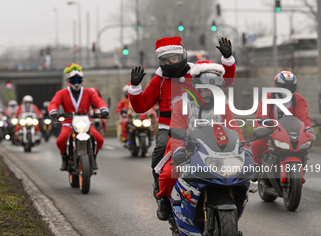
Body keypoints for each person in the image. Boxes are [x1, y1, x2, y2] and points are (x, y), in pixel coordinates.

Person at [128, 36, 237, 211]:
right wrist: (134, 87)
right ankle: (161, 194)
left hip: (201, 123)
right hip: (169, 127)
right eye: (166, 60)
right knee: (161, 150)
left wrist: (227, 59)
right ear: (161, 61)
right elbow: (141, 107)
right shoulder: (159, 79)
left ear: (182, 56)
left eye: (174, 58)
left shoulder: (199, 70)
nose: (171, 62)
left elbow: (227, 80)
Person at [154, 61, 248, 220]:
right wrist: (179, 151)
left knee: (239, 176)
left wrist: (244, 147)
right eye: (206, 88)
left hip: (219, 151)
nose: (210, 92)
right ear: (196, 86)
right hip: (187, 150)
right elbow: (177, 134)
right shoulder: (182, 104)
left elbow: (234, 129)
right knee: (169, 173)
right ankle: (165, 200)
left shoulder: (223, 107)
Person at [251, 71, 316, 180]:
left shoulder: (298, 99)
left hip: (291, 131)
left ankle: (300, 165)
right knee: (256, 145)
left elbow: (303, 116)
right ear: (276, 85)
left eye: (290, 87)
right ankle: (256, 167)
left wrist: (309, 129)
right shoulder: (268, 96)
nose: (287, 90)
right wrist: (262, 127)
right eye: (284, 87)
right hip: (270, 129)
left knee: (305, 147)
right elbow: (262, 113)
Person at [48, 63, 109, 171]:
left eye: (78, 79)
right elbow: (53, 103)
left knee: (99, 140)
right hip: (68, 123)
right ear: (68, 81)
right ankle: (65, 159)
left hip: (86, 123)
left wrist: (104, 109)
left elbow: (99, 101)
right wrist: (53, 112)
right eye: (73, 80)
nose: (76, 82)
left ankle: (93, 158)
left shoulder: (89, 92)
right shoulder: (61, 93)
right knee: (60, 140)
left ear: (82, 80)